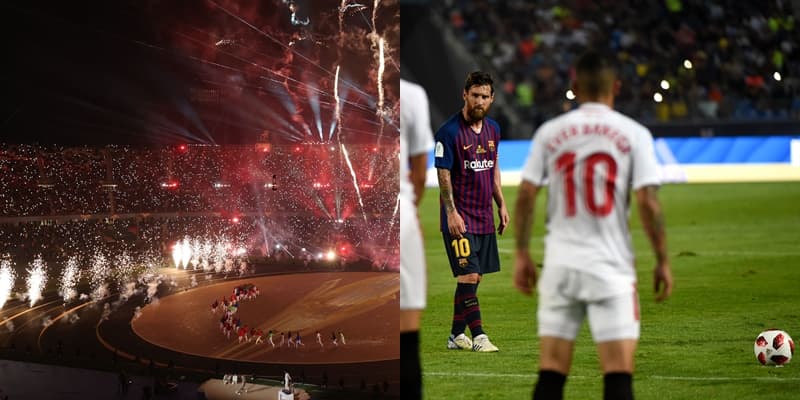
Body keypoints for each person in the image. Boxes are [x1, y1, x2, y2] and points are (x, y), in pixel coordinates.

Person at [512, 51, 673, 400]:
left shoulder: (549, 133)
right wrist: (662, 259)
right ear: (616, 86)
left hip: (560, 266)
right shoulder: (635, 134)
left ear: (574, 86)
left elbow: (526, 195)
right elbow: (647, 202)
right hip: (610, 269)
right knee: (617, 375)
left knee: (551, 373)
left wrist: (522, 253)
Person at [435, 71, 508, 352]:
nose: (479, 101)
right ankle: (479, 336)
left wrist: (501, 202)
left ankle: (455, 336)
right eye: (475, 95)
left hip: (484, 217)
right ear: (465, 95)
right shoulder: (448, 132)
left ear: (491, 99)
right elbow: (443, 176)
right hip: (460, 219)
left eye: (484, 96)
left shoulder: (493, 130)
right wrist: (451, 213)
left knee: (474, 278)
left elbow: (493, 169)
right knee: (467, 275)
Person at [400, 78, 435, 399]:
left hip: (353, 219)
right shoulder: (412, 94)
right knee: (407, 338)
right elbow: (421, 172)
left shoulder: (334, 86)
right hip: (401, 217)